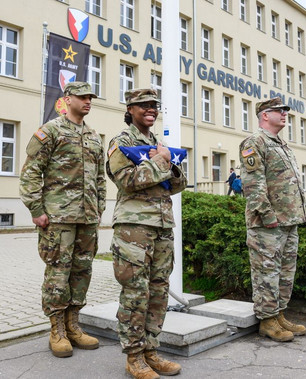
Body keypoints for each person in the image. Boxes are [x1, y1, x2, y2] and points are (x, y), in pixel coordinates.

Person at [20, 82, 106, 358]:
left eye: (90, 97)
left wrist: (99, 207)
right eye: (82, 97)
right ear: (67, 100)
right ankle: (56, 329)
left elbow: (100, 179)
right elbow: (31, 171)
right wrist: (36, 209)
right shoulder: (51, 131)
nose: (88, 102)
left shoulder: (94, 137)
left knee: (82, 272)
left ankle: (74, 326)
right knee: (58, 273)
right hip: (57, 218)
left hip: (87, 218)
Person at [106, 88, 187, 379]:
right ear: (131, 108)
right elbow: (127, 181)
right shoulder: (121, 142)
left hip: (163, 227)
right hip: (133, 229)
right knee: (135, 294)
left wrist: (166, 161)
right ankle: (133, 356)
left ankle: (151, 350)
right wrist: (162, 162)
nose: (151, 110)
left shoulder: (158, 143)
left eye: (155, 106)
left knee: (158, 292)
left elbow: (178, 185)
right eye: (145, 106)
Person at [239, 97, 306, 343]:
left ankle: (279, 314)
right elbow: (253, 185)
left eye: (284, 110)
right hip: (267, 224)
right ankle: (267, 321)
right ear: (265, 115)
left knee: (285, 273)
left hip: (289, 221)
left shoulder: (281, 144)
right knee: (266, 272)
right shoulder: (254, 142)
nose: (284, 114)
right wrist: (268, 217)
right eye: (279, 111)